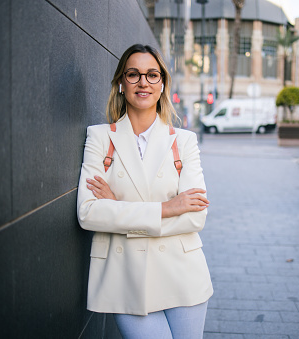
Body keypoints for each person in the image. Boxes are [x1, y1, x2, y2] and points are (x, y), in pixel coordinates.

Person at [76, 44, 213, 339]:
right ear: (121, 83)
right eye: (133, 74)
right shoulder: (100, 137)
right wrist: (167, 207)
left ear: (162, 84)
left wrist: (119, 211)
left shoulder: (184, 141)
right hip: (125, 276)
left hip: (183, 274)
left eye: (152, 75)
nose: (143, 82)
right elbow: (88, 214)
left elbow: (195, 218)